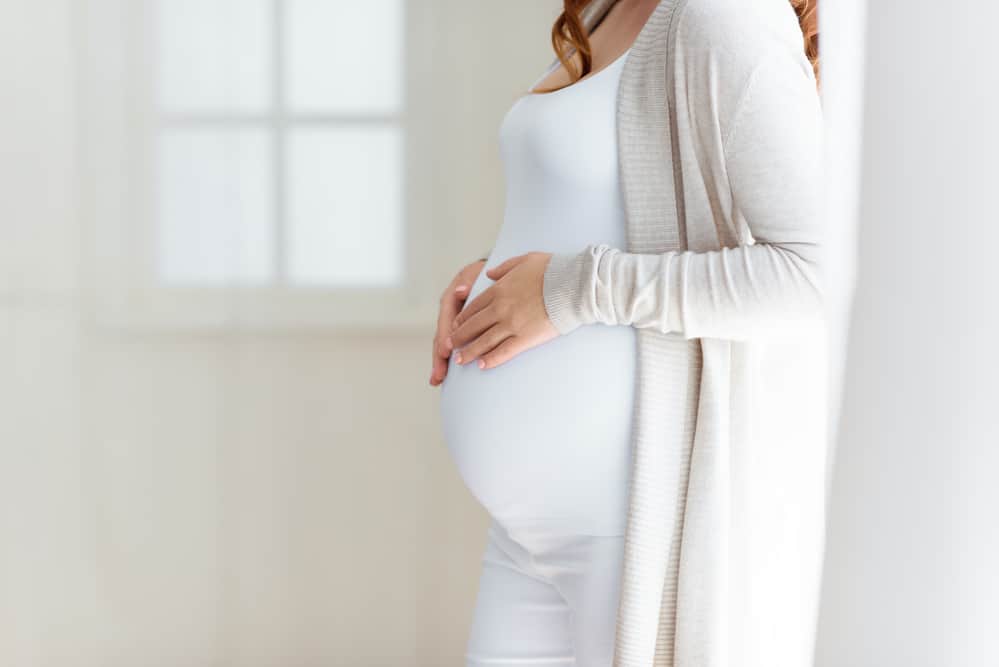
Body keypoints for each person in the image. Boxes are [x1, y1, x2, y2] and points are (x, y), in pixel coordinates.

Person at [430, 0, 826, 665]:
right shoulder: (611, 8)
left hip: (629, 519)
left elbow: (810, 276)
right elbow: (601, 207)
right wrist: (489, 277)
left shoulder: (723, 16)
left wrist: (573, 288)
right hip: (526, 530)